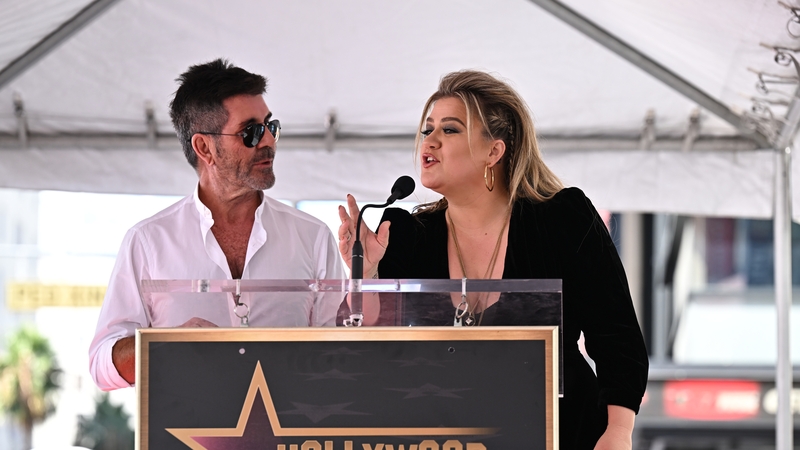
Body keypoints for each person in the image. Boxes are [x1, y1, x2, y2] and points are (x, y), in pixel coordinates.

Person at [337, 70, 648, 449]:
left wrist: (617, 431)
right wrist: (366, 273)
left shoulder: (561, 219)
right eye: (427, 129)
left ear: (493, 151)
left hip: (564, 435)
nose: (429, 140)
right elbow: (368, 350)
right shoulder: (405, 236)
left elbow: (617, 338)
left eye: (449, 130)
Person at [89, 59, 344, 391]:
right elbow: (101, 365)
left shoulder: (313, 237)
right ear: (204, 147)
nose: (268, 141)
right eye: (251, 132)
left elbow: (342, 352)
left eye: (271, 126)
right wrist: (165, 347)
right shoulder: (148, 241)